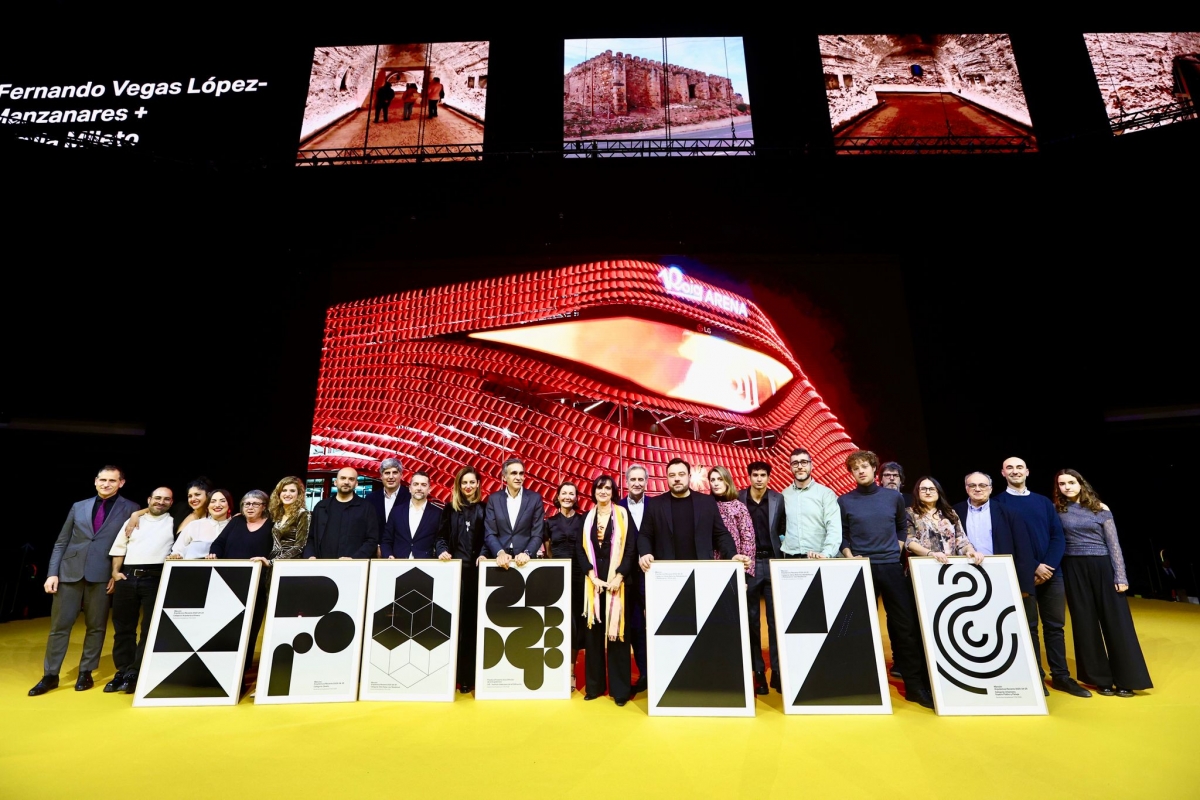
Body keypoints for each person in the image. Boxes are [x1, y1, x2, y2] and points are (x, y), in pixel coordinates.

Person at [30, 466, 139, 696]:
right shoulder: (78, 506)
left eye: (112, 480)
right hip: (69, 572)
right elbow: (62, 541)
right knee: (59, 627)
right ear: (95, 481)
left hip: (102, 575)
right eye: (102, 479)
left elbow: (131, 546)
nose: (106, 484)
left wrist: (116, 573)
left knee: (96, 627)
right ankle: (50, 675)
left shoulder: (131, 508)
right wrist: (52, 573)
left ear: (121, 483)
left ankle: (86, 672)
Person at [837, 450, 933, 708]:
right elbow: (842, 535)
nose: (861, 471)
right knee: (857, 628)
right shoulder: (844, 501)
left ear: (873, 469)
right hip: (862, 568)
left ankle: (914, 686)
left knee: (905, 627)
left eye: (865, 466)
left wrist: (898, 547)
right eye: (855, 468)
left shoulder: (893, 498)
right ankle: (862, 684)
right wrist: (849, 555)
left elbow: (902, 526)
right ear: (852, 473)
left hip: (891, 567)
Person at [993, 457, 1091, 698]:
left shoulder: (1044, 502)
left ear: (1027, 471)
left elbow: (1057, 536)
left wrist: (1047, 565)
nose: (1015, 471)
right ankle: (1035, 675)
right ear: (1003, 473)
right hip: (1020, 574)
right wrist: (1033, 567)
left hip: (1052, 574)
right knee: (1028, 627)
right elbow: (1004, 542)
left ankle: (1061, 677)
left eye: (1019, 467)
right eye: (1010, 468)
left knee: (1055, 627)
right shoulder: (997, 504)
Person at [1054, 469, 1152, 696]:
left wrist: (1121, 575)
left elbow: (1114, 544)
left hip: (1102, 566)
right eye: (1062, 484)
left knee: (1117, 622)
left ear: (1081, 484)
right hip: (1073, 568)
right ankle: (1100, 678)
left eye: (1071, 482)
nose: (1067, 487)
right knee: (1084, 623)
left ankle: (1127, 678)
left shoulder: (1100, 508)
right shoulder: (1057, 510)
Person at [105, 486, 176, 694]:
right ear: (149, 499)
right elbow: (120, 547)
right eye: (157, 498)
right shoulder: (134, 521)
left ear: (171, 503)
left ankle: (136, 671)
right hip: (127, 576)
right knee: (123, 627)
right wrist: (115, 573)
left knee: (149, 628)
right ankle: (123, 669)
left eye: (166, 499)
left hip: (155, 578)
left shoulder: (174, 521)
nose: (160, 502)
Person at [576, 474, 635, 705]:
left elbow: (630, 548)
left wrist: (619, 575)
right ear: (593, 491)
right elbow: (580, 550)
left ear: (613, 492)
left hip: (617, 584)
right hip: (593, 584)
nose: (603, 492)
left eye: (608, 489)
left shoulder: (622, 515)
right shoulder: (587, 518)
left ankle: (620, 691)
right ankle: (594, 686)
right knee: (593, 637)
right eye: (599, 488)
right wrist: (591, 574)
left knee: (618, 637)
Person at [208, 489, 274, 686]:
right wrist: (214, 553)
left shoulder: (272, 525)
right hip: (229, 583)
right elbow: (219, 543)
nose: (250, 507)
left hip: (257, 585)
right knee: (228, 627)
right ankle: (223, 668)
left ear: (264, 507)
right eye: (247, 504)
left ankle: (242, 671)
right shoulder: (236, 522)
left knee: (250, 629)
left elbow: (277, 550)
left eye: (255, 504)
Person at [637, 458, 748, 571]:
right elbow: (644, 535)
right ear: (667, 478)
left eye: (681, 474)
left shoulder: (707, 502)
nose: (676, 479)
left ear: (689, 476)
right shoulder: (655, 504)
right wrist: (645, 553)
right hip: (667, 572)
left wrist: (732, 555)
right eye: (672, 475)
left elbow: (720, 534)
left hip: (701, 570)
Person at [436, 466, 488, 693]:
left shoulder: (485, 509)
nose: (468, 486)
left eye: (472, 482)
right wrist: (442, 550)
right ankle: (450, 676)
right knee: (453, 625)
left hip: (476, 573)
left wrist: (485, 552)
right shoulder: (449, 509)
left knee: (472, 626)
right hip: (454, 573)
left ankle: (469, 677)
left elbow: (489, 537)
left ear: (478, 485)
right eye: (464, 482)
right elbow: (440, 537)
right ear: (459, 485)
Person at [738, 460, 786, 694]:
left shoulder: (778, 500)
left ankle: (777, 670)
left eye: (763, 475)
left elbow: (784, 530)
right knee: (751, 620)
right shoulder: (738, 498)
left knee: (776, 620)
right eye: (755, 475)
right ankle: (758, 671)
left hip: (773, 561)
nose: (759, 479)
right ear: (749, 477)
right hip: (749, 563)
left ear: (768, 477)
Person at [952, 472, 1037, 595]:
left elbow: (1023, 551)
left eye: (982, 485)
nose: (977, 489)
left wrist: (1024, 587)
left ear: (990, 489)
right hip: (964, 575)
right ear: (966, 488)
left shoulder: (1009, 513)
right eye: (972, 485)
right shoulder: (954, 512)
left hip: (1001, 574)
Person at [545, 481, 585, 689]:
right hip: (558, 575)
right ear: (558, 496)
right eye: (564, 493)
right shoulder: (549, 522)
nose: (568, 497)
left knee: (576, 624)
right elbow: (548, 550)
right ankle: (555, 667)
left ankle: (570, 670)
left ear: (576, 497)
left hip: (580, 576)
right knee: (560, 622)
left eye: (572, 493)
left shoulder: (584, 520)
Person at [617, 465, 650, 695]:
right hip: (627, 575)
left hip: (651, 572)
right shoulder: (616, 506)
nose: (637, 483)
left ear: (646, 482)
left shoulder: (655, 505)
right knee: (634, 625)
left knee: (660, 622)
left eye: (641, 479)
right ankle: (645, 672)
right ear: (626, 482)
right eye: (633, 479)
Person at [904, 477, 983, 564]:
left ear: (938, 491)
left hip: (950, 565)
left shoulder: (950, 513)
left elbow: (962, 541)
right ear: (917, 492)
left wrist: (970, 551)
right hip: (924, 565)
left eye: (932, 489)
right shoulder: (910, 513)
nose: (928, 492)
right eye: (923, 489)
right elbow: (909, 541)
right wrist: (931, 554)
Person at [305, 467, 379, 559]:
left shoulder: (366, 508)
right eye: (343, 478)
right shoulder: (321, 507)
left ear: (356, 484)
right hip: (322, 565)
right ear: (335, 482)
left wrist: (355, 559)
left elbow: (372, 540)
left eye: (351, 479)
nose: (346, 482)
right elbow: (311, 537)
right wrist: (310, 556)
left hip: (354, 567)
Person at [483, 457, 544, 569]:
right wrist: (500, 552)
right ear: (504, 477)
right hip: (500, 560)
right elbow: (490, 532)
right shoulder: (494, 499)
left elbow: (537, 533)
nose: (518, 477)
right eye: (514, 473)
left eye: (521, 473)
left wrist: (527, 553)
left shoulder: (535, 499)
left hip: (525, 560)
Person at [121, 476, 211, 538]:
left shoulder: (214, 515)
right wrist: (136, 514)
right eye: (190, 496)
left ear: (208, 495)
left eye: (197, 495)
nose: (193, 499)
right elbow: (160, 507)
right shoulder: (182, 508)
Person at [382, 470, 442, 559]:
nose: (419, 488)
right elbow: (386, 539)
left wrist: (442, 552)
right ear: (410, 488)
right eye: (416, 484)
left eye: (423, 485)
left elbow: (440, 540)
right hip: (398, 563)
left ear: (429, 489)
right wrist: (388, 555)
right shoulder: (396, 511)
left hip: (424, 566)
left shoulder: (438, 513)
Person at [168, 487, 233, 559]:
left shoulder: (236, 526)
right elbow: (178, 550)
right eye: (213, 501)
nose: (217, 505)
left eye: (222, 501)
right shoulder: (195, 525)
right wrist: (176, 555)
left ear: (229, 504)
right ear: (207, 506)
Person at [268, 476, 310, 561]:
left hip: (290, 562)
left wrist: (273, 562)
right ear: (279, 493)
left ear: (299, 494)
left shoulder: (303, 513)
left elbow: (299, 546)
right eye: (284, 490)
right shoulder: (278, 513)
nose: (287, 494)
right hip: (274, 559)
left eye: (292, 491)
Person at [368, 457, 411, 534]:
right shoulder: (371, 499)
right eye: (387, 473)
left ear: (401, 475)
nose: (391, 477)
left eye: (395, 472)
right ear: (381, 476)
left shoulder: (410, 497)